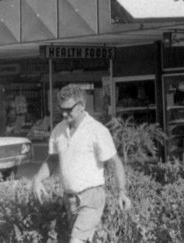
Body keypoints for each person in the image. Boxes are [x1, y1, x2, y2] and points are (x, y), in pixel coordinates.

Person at [32, 85, 131, 242]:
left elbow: (115, 162)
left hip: (91, 197)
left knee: (76, 240)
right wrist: (37, 179)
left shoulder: (97, 130)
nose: (64, 114)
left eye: (69, 109)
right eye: (61, 109)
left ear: (82, 106)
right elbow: (52, 160)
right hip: (69, 200)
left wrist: (122, 191)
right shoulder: (58, 130)